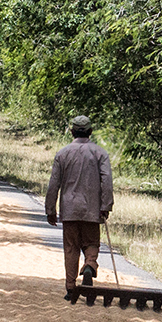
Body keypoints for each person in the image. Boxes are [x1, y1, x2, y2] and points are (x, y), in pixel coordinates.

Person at [45, 115, 113, 300]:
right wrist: (106, 205)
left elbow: (54, 184)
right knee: (91, 243)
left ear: (72, 131)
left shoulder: (63, 153)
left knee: (71, 247)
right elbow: (106, 181)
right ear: (90, 132)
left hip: (69, 209)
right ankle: (90, 264)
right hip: (92, 209)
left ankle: (71, 288)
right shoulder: (100, 153)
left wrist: (50, 209)